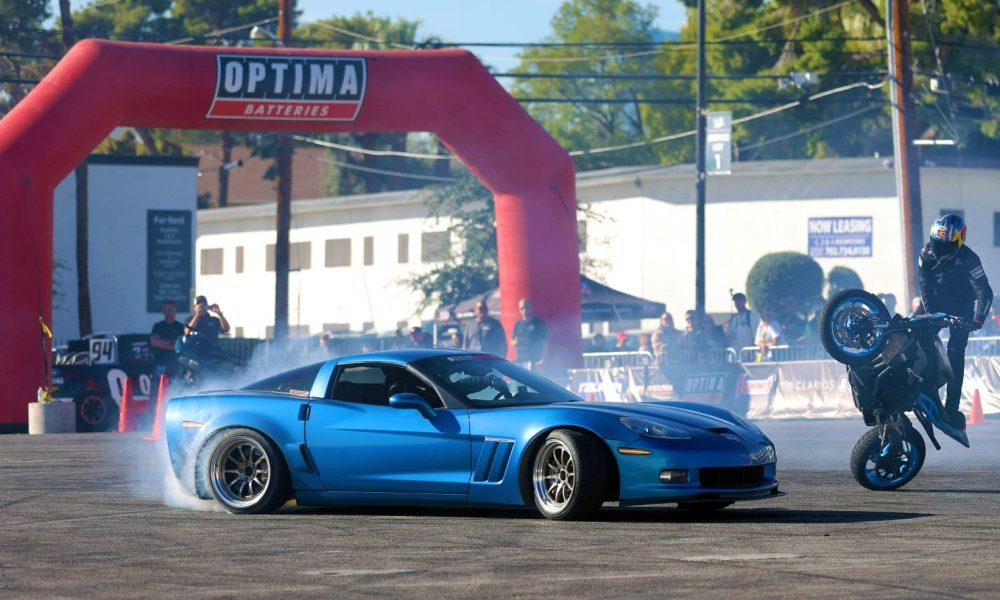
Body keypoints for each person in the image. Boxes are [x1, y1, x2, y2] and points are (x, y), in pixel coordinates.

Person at [918, 214, 993, 430]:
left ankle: (951, 407)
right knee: (917, 334)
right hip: (934, 302)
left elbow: (984, 292)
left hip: (962, 308)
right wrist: (930, 315)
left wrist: (977, 321)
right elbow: (924, 285)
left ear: (959, 241)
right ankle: (918, 385)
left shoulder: (970, 259)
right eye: (938, 242)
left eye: (946, 244)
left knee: (955, 352)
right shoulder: (926, 253)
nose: (940, 248)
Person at [511, 298, 547, 371]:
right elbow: (512, 341)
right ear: (519, 310)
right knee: (519, 378)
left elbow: (545, 343)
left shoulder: (538, 323)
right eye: (522, 308)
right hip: (520, 359)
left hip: (534, 360)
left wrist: (543, 359)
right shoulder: (518, 324)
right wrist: (514, 343)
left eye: (527, 307)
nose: (524, 310)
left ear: (531, 308)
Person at [150, 301, 184, 376]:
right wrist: (171, 343)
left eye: (170, 310)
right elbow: (154, 342)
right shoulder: (157, 326)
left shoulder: (180, 327)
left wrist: (164, 343)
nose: (168, 312)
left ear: (175, 311)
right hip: (160, 363)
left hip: (175, 364)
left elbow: (180, 345)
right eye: (166, 310)